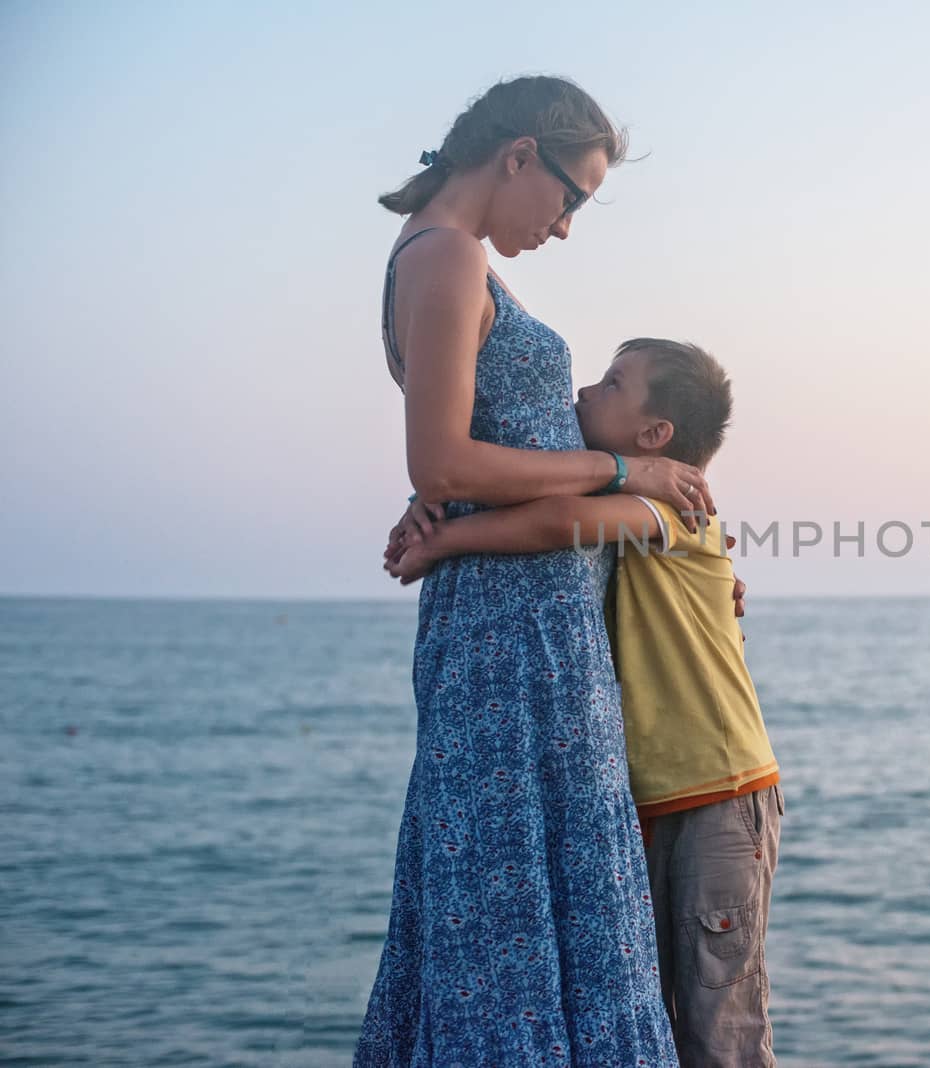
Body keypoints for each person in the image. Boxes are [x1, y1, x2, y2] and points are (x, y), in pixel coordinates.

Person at [355, 76, 710, 1067]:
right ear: (518, 156)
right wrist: (622, 467)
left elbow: (472, 458)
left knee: (547, 908)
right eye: (570, 197)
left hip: (534, 633)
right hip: (507, 643)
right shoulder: (446, 254)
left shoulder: (449, 257)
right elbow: (444, 462)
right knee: (509, 916)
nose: (563, 228)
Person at [385, 339, 784, 1067]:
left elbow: (553, 521)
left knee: (718, 1023)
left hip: (718, 796)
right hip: (660, 797)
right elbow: (533, 488)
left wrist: (444, 540)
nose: (587, 392)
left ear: (654, 438)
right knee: (656, 1012)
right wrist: (426, 498)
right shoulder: (635, 501)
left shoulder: (669, 507)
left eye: (612, 384)